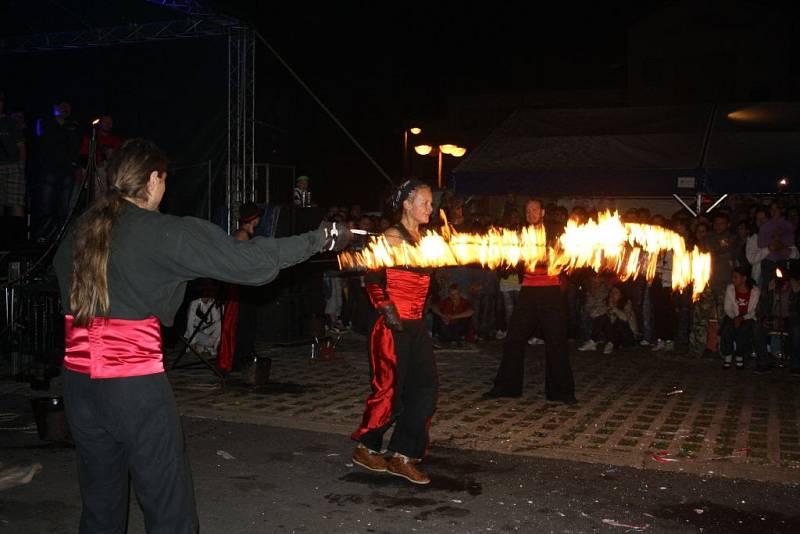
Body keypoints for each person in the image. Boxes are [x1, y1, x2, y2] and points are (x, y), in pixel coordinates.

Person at [52, 139, 350, 533]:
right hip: (132, 386)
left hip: (78, 386)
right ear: (155, 180)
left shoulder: (81, 231)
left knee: (100, 506)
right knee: (166, 503)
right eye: (164, 179)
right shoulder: (164, 232)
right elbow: (253, 264)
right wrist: (321, 239)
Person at [351, 179, 437, 485]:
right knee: (391, 391)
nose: (431, 207)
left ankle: (402, 454)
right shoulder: (391, 237)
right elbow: (372, 278)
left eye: (430, 202)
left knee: (425, 388)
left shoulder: (426, 238)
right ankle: (367, 446)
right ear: (407, 204)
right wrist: (387, 309)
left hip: (416, 326)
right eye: (425, 202)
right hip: (393, 326)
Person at [484, 198, 576, 403]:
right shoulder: (519, 234)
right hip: (528, 290)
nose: (531, 213)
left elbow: (568, 256)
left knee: (556, 341)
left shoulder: (556, 230)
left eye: (535, 210)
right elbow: (512, 260)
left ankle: (561, 392)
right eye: (527, 210)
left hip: (550, 291)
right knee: (514, 339)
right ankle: (507, 387)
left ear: (543, 212)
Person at [218, 202, 264, 373]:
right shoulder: (241, 236)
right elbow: (240, 263)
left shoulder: (247, 235)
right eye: (258, 216)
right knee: (239, 324)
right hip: (239, 287)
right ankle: (235, 360)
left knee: (248, 323)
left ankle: (245, 356)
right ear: (253, 219)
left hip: (246, 286)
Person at [34, 100, 81, 241]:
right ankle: (43, 235)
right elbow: (40, 143)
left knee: (64, 206)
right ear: (56, 108)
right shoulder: (46, 123)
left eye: (68, 107)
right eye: (63, 107)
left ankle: (61, 237)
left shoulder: (73, 126)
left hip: (67, 171)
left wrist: (75, 165)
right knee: (46, 203)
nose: (66, 110)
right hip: (49, 169)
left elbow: (76, 148)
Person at [719, 266, 768, 371]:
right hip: (733, 315)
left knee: (743, 330)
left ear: (744, 278)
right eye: (733, 277)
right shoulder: (730, 289)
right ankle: (728, 355)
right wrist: (735, 317)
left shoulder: (754, 291)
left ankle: (739, 355)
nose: (733, 280)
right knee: (727, 329)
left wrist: (742, 318)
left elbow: (754, 310)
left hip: (748, 317)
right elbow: (727, 308)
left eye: (736, 277)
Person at [580, 284, 639, 354]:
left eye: (616, 292)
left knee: (620, 322)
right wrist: (605, 308)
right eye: (611, 292)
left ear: (621, 295)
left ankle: (611, 343)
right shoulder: (608, 304)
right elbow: (594, 315)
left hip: (628, 336)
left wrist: (613, 308)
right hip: (614, 337)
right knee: (602, 317)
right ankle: (593, 342)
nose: (612, 294)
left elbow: (625, 319)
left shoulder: (626, 303)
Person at [0, 92, 27, 219]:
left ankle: (17, 235)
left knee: (16, 203)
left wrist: (20, 166)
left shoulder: (11, 122)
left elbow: (21, 146)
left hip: (13, 167)